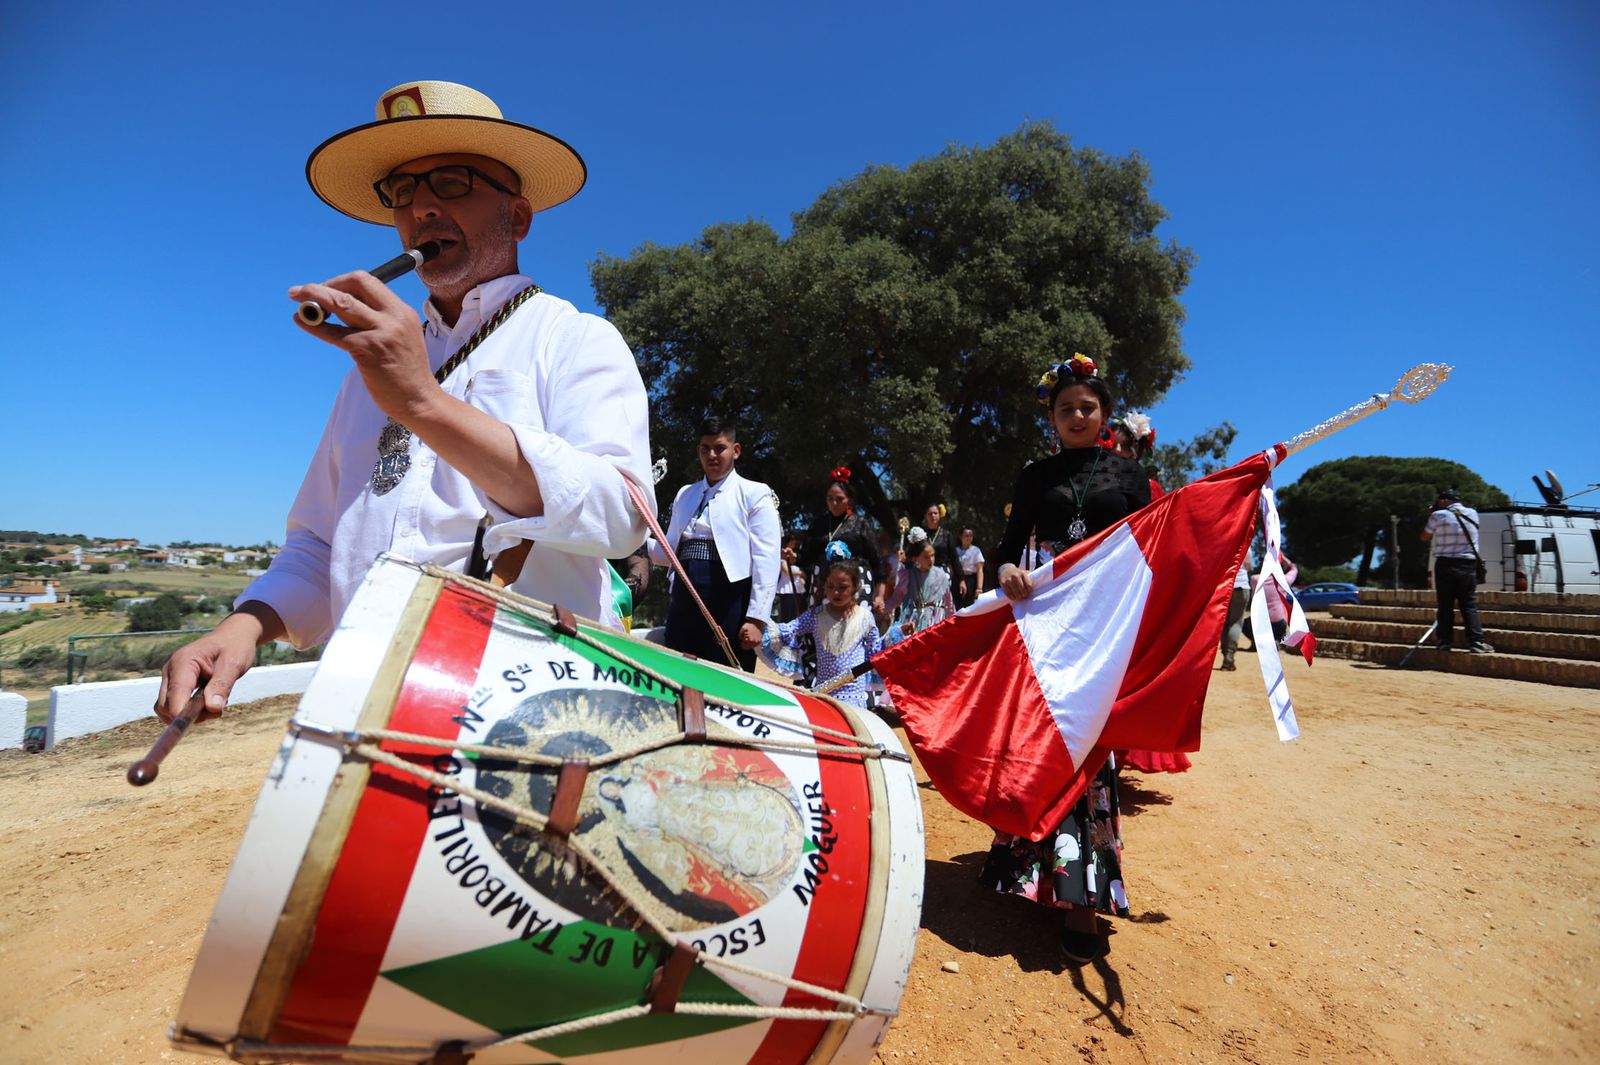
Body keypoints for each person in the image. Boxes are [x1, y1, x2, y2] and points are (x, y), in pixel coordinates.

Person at [154, 80, 652, 724]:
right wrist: (243, 627)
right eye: (402, 192)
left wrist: (423, 402)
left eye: (451, 182)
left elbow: (621, 518)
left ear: (519, 216)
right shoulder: (373, 367)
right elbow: (321, 543)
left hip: (530, 718)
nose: (421, 209)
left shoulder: (575, 338)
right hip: (363, 706)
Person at [981, 353, 1151, 964]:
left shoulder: (1130, 477)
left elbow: (1150, 551)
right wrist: (1007, 571)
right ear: (1051, 417)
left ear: (1103, 414)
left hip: (1103, 628)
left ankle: (1081, 896)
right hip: (1047, 626)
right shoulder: (1035, 476)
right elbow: (1007, 552)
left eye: (1087, 407)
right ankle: (1027, 872)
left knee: (1090, 753)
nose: (1076, 415)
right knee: (1044, 742)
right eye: (1065, 409)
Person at [648, 415, 780, 672]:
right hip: (684, 597)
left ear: (736, 450)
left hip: (729, 598)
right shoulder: (685, 494)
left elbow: (767, 559)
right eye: (705, 448)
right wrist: (634, 542)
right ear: (698, 451)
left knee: (726, 679)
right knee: (677, 673)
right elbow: (669, 551)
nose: (712, 455)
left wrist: (757, 618)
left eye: (720, 447)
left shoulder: (754, 494)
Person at [758, 560, 883, 709]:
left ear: (856, 587)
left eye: (843, 587)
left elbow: (877, 651)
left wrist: (899, 634)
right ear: (824, 587)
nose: (836, 592)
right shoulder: (816, 615)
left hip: (854, 695)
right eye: (830, 586)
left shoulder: (865, 617)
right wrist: (758, 625)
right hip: (825, 692)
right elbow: (788, 630)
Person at [799, 468, 886, 615]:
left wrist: (880, 595)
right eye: (830, 498)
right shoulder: (818, 524)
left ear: (849, 500)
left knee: (855, 629)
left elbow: (877, 562)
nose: (834, 503)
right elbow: (805, 558)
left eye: (839, 499)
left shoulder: (860, 524)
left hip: (858, 584)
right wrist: (793, 558)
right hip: (823, 585)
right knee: (823, 632)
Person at [1420, 488, 1493, 653]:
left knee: (1445, 605)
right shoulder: (1473, 513)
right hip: (1467, 564)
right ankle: (1476, 642)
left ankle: (1444, 642)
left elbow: (1424, 536)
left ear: (1445, 501)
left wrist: (1433, 513)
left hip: (1445, 564)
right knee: (1468, 604)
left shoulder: (1438, 515)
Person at [884, 536, 956, 645]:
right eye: (926, 557)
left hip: (935, 621)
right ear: (915, 558)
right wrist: (881, 608)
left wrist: (953, 622)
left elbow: (948, 602)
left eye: (932, 555)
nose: (931, 559)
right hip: (914, 622)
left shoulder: (941, 575)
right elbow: (896, 599)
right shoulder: (908, 576)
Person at [918, 503, 961, 589]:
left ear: (940, 515)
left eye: (935, 513)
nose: (933, 515)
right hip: (922, 573)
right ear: (925, 516)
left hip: (942, 573)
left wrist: (961, 579)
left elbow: (954, 558)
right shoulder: (919, 534)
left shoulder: (946, 535)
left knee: (941, 601)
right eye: (930, 514)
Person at [1218, 561, 1251, 670]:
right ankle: (1229, 658)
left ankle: (1225, 654)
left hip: (1224, 585)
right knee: (1236, 622)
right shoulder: (1245, 544)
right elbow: (1248, 565)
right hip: (1240, 586)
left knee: (1224, 622)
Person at [774, 531, 808, 622]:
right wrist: (800, 573)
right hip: (786, 589)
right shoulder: (782, 555)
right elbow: (786, 571)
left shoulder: (796, 554)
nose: (795, 542)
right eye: (793, 540)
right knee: (786, 614)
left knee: (795, 613)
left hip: (797, 588)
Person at [955, 527, 985, 608]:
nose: (968, 538)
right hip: (958, 579)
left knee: (969, 605)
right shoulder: (956, 550)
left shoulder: (976, 550)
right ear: (961, 537)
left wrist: (979, 588)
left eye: (970, 535)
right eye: (966, 535)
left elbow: (979, 569)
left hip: (970, 580)